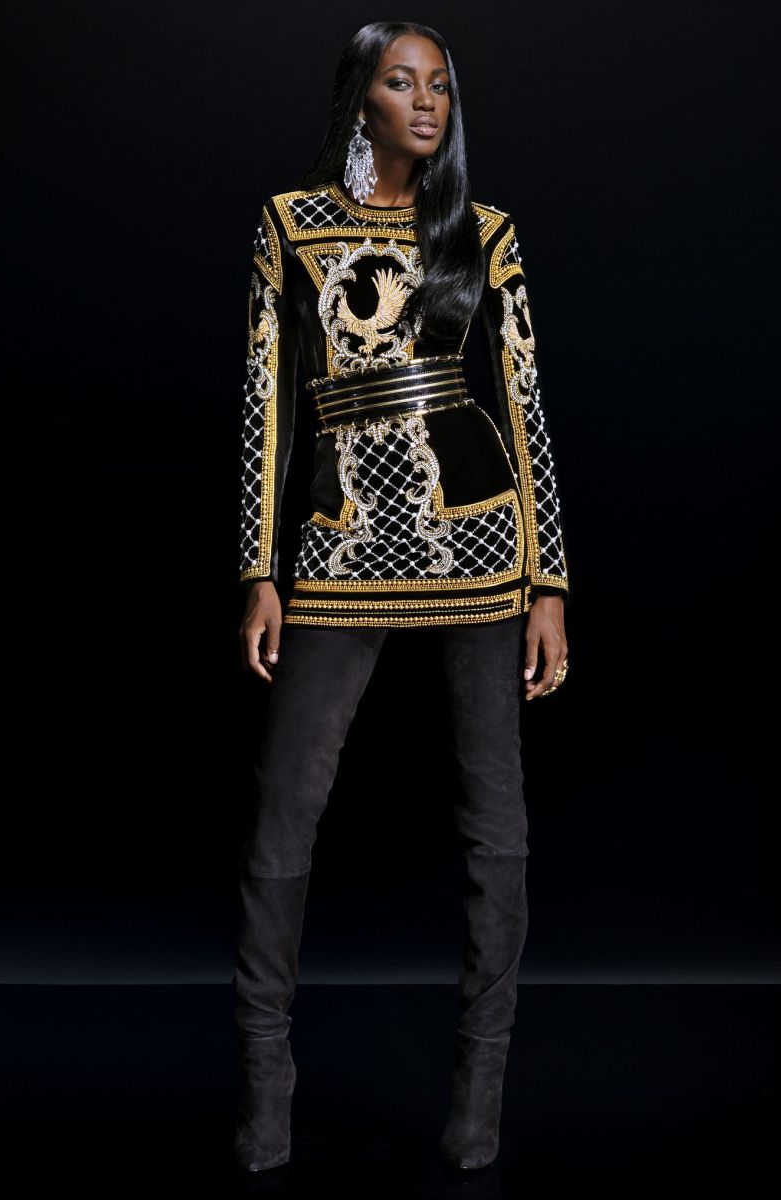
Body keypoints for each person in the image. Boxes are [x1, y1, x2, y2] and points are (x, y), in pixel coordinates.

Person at [232, 20, 571, 1174]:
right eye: (399, 82)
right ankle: (264, 1103)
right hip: (337, 545)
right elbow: (266, 405)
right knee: (285, 811)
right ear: (360, 97)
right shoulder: (291, 224)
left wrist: (548, 582)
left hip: (476, 538)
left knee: (494, 822)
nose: (425, 102)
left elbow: (522, 407)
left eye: (439, 86)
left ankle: (477, 1107)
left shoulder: (482, 231)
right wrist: (258, 570)